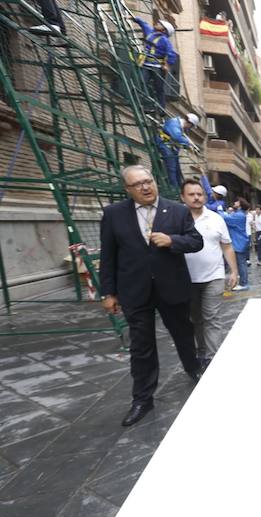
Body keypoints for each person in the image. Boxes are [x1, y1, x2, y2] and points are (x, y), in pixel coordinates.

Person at [99, 166, 204, 427]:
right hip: (134, 291)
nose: (145, 187)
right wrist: (108, 292)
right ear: (127, 189)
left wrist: (172, 241)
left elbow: (195, 241)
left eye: (148, 181)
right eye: (138, 184)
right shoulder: (114, 214)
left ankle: (193, 368)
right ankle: (142, 399)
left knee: (183, 333)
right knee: (141, 346)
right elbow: (108, 255)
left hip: (172, 287)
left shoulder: (177, 210)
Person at [181, 179, 238, 367]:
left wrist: (234, 271)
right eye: (192, 194)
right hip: (186, 279)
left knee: (212, 318)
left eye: (200, 194)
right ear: (183, 197)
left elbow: (227, 246)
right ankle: (201, 352)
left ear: (205, 196)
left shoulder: (216, 219)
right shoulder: (176, 218)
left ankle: (213, 359)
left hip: (214, 276)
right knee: (195, 319)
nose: (196, 198)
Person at [133, 16, 177, 112]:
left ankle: (161, 109)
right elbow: (144, 24)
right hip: (146, 65)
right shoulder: (150, 34)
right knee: (142, 83)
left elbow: (171, 54)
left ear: (164, 30)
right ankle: (147, 105)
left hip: (157, 67)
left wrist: (167, 65)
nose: (157, 24)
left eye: (160, 24)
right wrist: (136, 19)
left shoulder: (165, 41)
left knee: (158, 88)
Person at [156, 114, 199, 189]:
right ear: (190, 123)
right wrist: (188, 144)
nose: (190, 128)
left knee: (177, 170)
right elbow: (176, 136)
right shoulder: (174, 123)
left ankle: (179, 188)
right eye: (191, 126)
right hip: (164, 144)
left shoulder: (179, 126)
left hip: (170, 146)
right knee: (172, 167)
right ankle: (173, 189)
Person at [221, 198, 251, 291]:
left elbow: (225, 218)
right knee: (240, 263)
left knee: (241, 263)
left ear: (240, 204)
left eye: (236, 201)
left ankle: (244, 284)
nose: (234, 202)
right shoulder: (238, 214)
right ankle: (242, 281)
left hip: (239, 242)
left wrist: (219, 209)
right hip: (238, 241)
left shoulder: (239, 215)